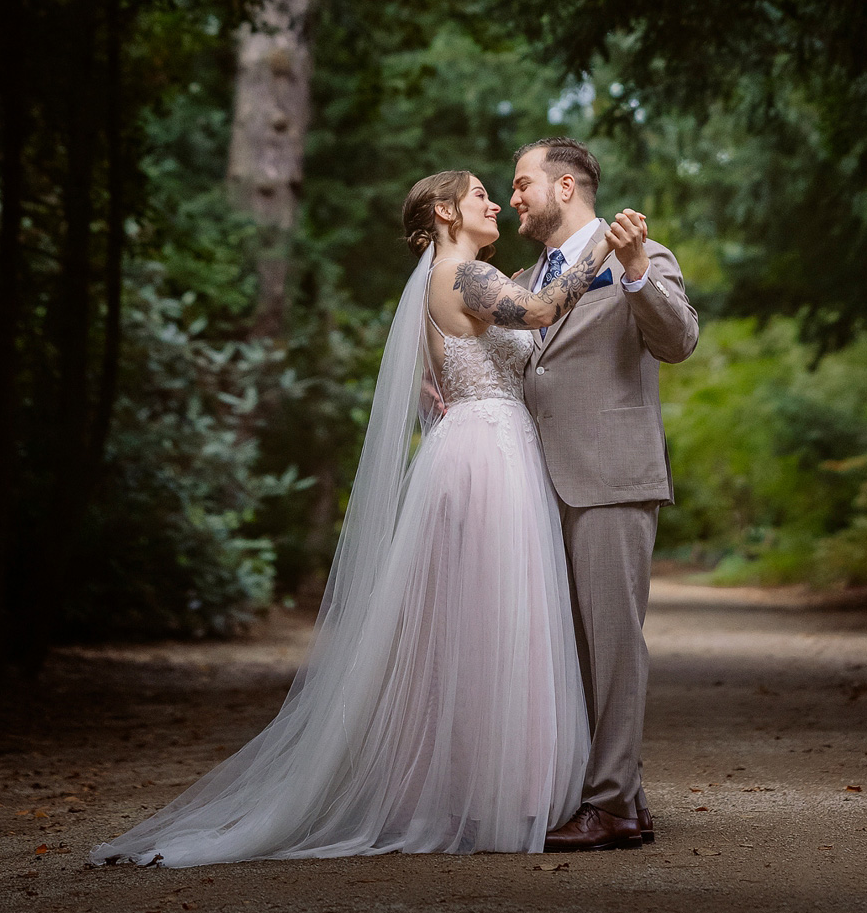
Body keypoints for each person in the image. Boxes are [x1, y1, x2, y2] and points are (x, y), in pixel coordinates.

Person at [91, 170, 651, 866]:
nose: (492, 202)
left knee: (485, 626)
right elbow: (539, 313)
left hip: (489, 450)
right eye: (479, 194)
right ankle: (504, 793)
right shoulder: (461, 275)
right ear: (447, 212)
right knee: (492, 622)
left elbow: (457, 361)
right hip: (488, 460)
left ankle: (506, 788)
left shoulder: (453, 278)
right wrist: (605, 246)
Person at [509, 138, 698, 852]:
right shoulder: (528, 277)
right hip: (536, 483)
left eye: (523, 183)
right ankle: (629, 798)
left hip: (612, 475)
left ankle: (611, 805)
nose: (514, 197)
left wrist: (637, 270)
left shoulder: (644, 258)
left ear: (565, 187)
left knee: (614, 644)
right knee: (574, 649)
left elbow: (678, 342)